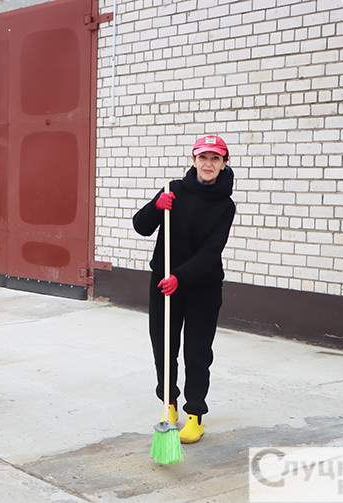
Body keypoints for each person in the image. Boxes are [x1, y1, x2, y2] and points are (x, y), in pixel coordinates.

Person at [132, 135, 236, 444]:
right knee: (164, 348)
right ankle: (169, 405)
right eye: (203, 157)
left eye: (215, 158)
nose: (208, 163)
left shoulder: (225, 206)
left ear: (224, 164)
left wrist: (180, 276)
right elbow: (141, 226)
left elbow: (210, 252)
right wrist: (155, 207)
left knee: (197, 352)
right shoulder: (173, 190)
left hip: (202, 287)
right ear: (194, 161)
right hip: (164, 285)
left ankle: (194, 416)